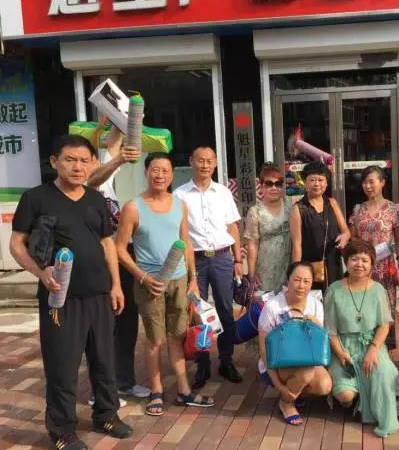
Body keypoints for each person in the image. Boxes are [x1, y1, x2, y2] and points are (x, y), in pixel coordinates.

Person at [10, 135, 132, 450]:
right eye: (70, 160)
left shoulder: (95, 199)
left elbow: (107, 243)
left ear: (93, 163)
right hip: (60, 299)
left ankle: (106, 415)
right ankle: (62, 430)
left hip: (99, 295)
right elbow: (17, 244)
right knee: (62, 366)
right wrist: (41, 272)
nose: (78, 167)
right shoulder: (36, 198)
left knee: (104, 361)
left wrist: (116, 284)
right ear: (55, 162)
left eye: (84, 161)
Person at [116, 152, 214, 416]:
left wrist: (193, 280)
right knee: (154, 340)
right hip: (150, 284)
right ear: (146, 172)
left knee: (177, 337)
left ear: (172, 175)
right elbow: (119, 249)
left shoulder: (179, 205)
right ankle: (156, 391)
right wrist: (142, 277)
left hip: (179, 280)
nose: (160, 175)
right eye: (155, 170)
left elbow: (186, 243)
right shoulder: (133, 207)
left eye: (166, 171)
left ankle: (183, 391)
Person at [87, 119, 150, 402]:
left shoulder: (108, 179)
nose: (85, 164)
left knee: (127, 323)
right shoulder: (85, 184)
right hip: (98, 264)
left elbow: (113, 145)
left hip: (122, 258)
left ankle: (124, 381)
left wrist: (125, 117)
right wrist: (117, 159)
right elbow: (95, 177)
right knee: (104, 328)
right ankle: (100, 391)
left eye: (91, 158)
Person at [174, 146, 244, 387]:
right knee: (199, 314)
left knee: (225, 310)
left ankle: (226, 360)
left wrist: (238, 259)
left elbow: (232, 227)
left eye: (209, 161)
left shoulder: (223, 192)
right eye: (200, 160)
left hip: (223, 258)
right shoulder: (180, 195)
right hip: (195, 260)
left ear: (215, 163)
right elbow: (179, 233)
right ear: (191, 161)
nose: (205, 165)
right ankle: (202, 364)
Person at [324, 239, 399, 438]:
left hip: (371, 344)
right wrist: (340, 353)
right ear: (346, 262)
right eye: (354, 259)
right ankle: (352, 399)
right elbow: (330, 330)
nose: (359, 264)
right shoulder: (334, 290)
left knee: (383, 373)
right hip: (343, 346)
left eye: (365, 260)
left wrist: (374, 349)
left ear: (372, 264)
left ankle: (384, 419)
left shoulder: (378, 290)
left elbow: (384, 325)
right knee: (345, 394)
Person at [257, 261, 333, 425]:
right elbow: (263, 350)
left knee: (324, 385)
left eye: (306, 281)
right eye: (297, 280)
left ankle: (295, 393)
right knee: (306, 372)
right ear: (288, 280)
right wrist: (279, 386)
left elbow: (318, 344)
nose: (301, 286)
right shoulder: (273, 306)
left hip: (307, 359)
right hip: (277, 363)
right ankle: (287, 403)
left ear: (312, 283)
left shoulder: (316, 305)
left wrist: (317, 326)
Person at [349, 165, 399, 349]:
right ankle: (365, 347)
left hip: (385, 268)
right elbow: (353, 239)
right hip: (363, 268)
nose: (368, 186)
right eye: (364, 182)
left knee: (385, 307)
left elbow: (398, 240)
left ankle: (385, 350)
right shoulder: (358, 210)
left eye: (371, 182)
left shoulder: (393, 209)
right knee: (363, 305)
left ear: (382, 182)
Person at [290, 161, 350, 291]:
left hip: (333, 262)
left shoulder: (332, 203)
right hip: (310, 266)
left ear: (326, 183)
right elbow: (297, 244)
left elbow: (346, 230)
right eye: (312, 180)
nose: (317, 184)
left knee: (334, 297)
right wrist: (296, 272)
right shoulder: (298, 209)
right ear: (305, 183)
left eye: (320, 180)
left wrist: (344, 237)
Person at [245, 162, 292, 291]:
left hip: (288, 265)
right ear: (261, 186)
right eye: (269, 184)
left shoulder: (291, 206)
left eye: (278, 184)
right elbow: (252, 244)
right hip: (265, 268)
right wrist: (251, 273)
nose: (274, 188)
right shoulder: (255, 211)